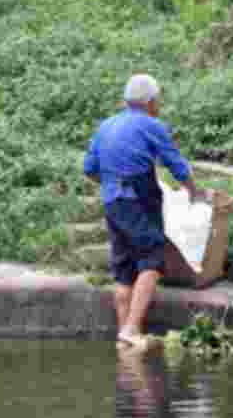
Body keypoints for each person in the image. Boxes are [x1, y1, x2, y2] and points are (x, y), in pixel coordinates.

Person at [84, 73, 208, 350]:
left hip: (112, 202)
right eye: (158, 99)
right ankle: (130, 328)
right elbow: (176, 165)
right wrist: (194, 192)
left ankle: (124, 336)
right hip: (136, 199)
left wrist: (111, 186)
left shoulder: (106, 126)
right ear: (152, 101)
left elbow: (90, 169)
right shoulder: (151, 125)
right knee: (153, 257)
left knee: (124, 268)